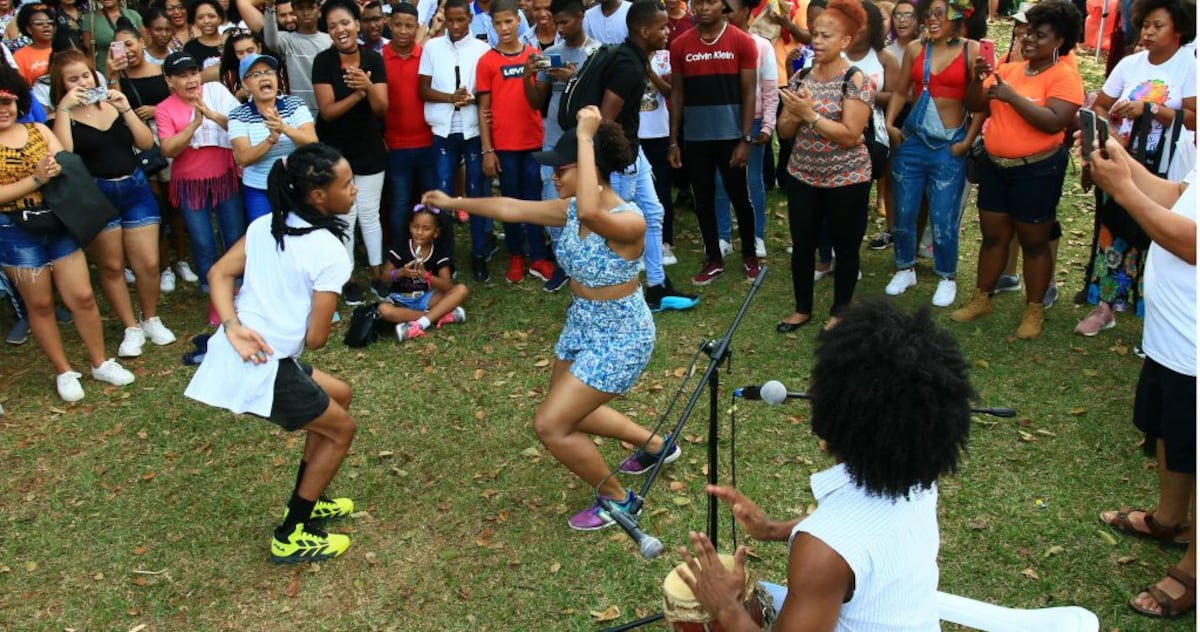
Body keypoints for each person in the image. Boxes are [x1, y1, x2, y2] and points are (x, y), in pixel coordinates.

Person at [421, 107, 680, 531]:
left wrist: (585, 134)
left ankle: (619, 500)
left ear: (590, 166)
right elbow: (511, 206)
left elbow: (598, 216)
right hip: (583, 322)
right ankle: (655, 445)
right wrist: (455, 201)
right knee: (567, 412)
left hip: (621, 334)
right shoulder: (573, 209)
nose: (554, 178)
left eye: (562, 169)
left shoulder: (628, 220)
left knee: (551, 424)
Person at [677, 299, 974, 630]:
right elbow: (862, 528)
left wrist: (726, 609)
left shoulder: (822, 551)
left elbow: (838, 541)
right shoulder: (918, 479)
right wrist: (773, 529)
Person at [184, 142, 360, 565]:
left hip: (252, 353)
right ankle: (292, 532)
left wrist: (232, 326)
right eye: (347, 183)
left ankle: (310, 496)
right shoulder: (330, 251)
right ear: (318, 196)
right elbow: (316, 339)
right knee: (342, 429)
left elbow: (219, 273)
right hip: (263, 365)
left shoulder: (267, 224)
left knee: (340, 395)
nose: (354, 190)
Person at [1089, 139, 1195, 620]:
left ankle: (1194, 570)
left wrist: (1124, 191)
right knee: (1173, 434)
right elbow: (1178, 194)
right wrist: (1124, 161)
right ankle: (1171, 520)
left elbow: (1192, 243)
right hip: (1174, 339)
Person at [0, 66, 136, 401]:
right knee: (41, 304)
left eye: (6, 102)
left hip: (57, 220)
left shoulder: (36, 130)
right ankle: (64, 370)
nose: (2, 110)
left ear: (18, 101)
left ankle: (100, 361)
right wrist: (35, 179)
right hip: (14, 229)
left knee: (83, 297)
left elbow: (65, 160)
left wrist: (56, 167)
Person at [952, 0, 1082, 339]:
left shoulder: (1065, 77)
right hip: (996, 167)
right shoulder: (1008, 69)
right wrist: (977, 79)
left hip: (1037, 171)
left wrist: (1013, 98)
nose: (1027, 40)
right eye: (1026, 32)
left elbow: (1055, 122)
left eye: (1039, 35)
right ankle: (982, 297)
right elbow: (975, 104)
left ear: (1059, 41)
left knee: (1034, 242)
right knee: (993, 237)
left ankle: (1034, 310)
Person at [1076, 0, 1195, 335]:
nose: (1148, 32)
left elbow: (1194, 118)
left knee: (1158, 236)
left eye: (1158, 25)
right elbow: (1100, 105)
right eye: (1145, 25)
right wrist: (1111, 134)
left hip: (1168, 169)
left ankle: (1153, 314)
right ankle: (1105, 306)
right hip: (1123, 162)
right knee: (1112, 232)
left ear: (1179, 30)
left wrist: (1151, 110)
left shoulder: (1189, 66)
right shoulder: (1130, 64)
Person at [50, 48, 177, 357]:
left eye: (85, 75)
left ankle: (150, 317)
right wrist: (65, 110)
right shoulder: (58, 118)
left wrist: (125, 109)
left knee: (147, 262)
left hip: (135, 188)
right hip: (96, 195)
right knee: (111, 266)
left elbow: (145, 143)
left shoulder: (113, 102)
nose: (81, 82)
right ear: (61, 85)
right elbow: (64, 156)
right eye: (72, 79)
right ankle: (130, 327)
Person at [775, 0, 872, 333]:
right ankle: (802, 309)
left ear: (845, 41)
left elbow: (849, 135)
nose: (816, 41)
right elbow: (784, 133)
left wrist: (810, 116)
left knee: (846, 246)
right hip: (803, 174)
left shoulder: (856, 80)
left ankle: (841, 312)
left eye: (826, 36)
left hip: (848, 177)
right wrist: (790, 114)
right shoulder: (801, 76)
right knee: (802, 244)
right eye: (815, 34)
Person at [883, 0, 982, 308]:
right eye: (930, 12)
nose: (932, 18)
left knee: (943, 216)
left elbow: (980, 104)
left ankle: (947, 276)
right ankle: (905, 268)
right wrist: (889, 123)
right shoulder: (916, 49)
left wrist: (966, 142)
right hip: (913, 142)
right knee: (904, 211)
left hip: (948, 145)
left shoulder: (971, 50)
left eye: (941, 13)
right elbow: (901, 91)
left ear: (958, 17)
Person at [668, 0, 760, 286]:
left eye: (711, 2)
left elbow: (749, 93)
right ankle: (713, 259)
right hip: (696, 138)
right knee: (702, 199)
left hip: (731, 137)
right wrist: (674, 140)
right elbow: (678, 94)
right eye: (699, 2)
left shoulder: (742, 42)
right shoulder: (680, 45)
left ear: (724, 6)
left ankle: (749, 255)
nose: (703, 7)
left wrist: (745, 139)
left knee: (739, 198)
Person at [312, 0, 389, 305]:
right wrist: (359, 93)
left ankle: (377, 274)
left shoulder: (374, 59)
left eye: (344, 23)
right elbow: (328, 112)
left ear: (357, 24)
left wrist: (368, 85)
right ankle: (347, 278)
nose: (339, 30)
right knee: (346, 216)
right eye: (332, 26)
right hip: (336, 151)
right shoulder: (323, 62)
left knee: (369, 213)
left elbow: (382, 108)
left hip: (369, 148)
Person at [112, 19, 194, 294]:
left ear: (141, 43)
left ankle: (182, 259)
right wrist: (111, 75)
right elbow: (111, 109)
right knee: (155, 206)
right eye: (119, 45)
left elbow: (180, 99)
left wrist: (154, 108)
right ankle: (165, 266)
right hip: (136, 146)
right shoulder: (117, 78)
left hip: (166, 139)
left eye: (130, 43)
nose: (126, 50)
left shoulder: (163, 72)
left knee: (175, 203)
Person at [155, 51, 244, 300]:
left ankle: (237, 279)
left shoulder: (215, 91)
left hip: (224, 175)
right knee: (202, 237)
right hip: (189, 182)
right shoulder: (164, 108)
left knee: (234, 232)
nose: (191, 80)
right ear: (169, 81)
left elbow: (240, 124)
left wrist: (211, 114)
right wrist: (193, 125)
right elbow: (168, 149)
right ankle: (210, 282)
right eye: (182, 76)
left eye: (193, 73)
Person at [523, 0, 597, 290]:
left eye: (564, 22)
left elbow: (600, 98)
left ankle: (587, 265)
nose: (559, 28)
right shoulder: (550, 54)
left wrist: (573, 80)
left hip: (585, 142)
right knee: (553, 207)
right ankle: (563, 265)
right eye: (557, 22)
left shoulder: (597, 53)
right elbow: (535, 101)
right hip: (554, 141)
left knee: (588, 206)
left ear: (580, 17)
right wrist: (528, 75)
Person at [479, 0, 554, 285]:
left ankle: (537, 256)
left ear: (519, 21)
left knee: (533, 201)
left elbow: (552, 84)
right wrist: (488, 149)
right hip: (505, 145)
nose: (504, 28)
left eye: (509, 21)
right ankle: (515, 255)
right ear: (492, 25)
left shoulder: (534, 55)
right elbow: (483, 107)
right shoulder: (487, 61)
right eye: (498, 23)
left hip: (533, 141)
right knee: (510, 201)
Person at [417, 0, 493, 281]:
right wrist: (451, 98)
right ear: (444, 19)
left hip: (473, 130)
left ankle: (479, 252)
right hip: (443, 129)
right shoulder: (432, 47)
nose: (456, 26)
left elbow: (488, 92)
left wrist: (470, 99)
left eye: (461, 20)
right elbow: (422, 89)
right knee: (444, 194)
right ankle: (445, 254)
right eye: (451, 20)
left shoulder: (482, 50)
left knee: (476, 192)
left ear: (470, 19)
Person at [713, 0, 778, 260]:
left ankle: (756, 235)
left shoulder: (762, 46)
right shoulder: (714, 46)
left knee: (752, 181)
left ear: (747, 12)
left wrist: (768, 125)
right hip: (720, 122)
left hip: (753, 121)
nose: (725, 14)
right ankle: (723, 236)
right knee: (720, 180)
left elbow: (771, 90)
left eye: (730, 9)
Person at [229, 53, 316, 223]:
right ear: (245, 84)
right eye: (256, 74)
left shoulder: (295, 104)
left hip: (296, 184)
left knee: (300, 234)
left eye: (269, 72)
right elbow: (243, 158)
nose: (264, 77)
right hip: (258, 189)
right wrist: (271, 139)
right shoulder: (238, 115)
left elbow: (312, 142)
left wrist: (284, 128)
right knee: (264, 237)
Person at [382, 2, 435, 251]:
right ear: (389, 25)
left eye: (409, 26)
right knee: (400, 202)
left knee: (430, 202)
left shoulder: (427, 57)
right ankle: (399, 251)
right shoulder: (380, 58)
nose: (403, 31)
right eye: (398, 25)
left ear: (417, 27)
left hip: (427, 142)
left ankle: (432, 252)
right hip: (396, 145)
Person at [376, 204, 469, 340]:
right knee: (385, 311)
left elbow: (448, 286)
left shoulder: (439, 252)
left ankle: (419, 324)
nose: (419, 232)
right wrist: (401, 272)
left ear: (435, 232)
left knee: (461, 289)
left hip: (426, 298)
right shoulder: (401, 247)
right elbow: (384, 278)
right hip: (401, 299)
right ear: (410, 227)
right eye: (415, 227)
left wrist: (427, 276)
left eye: (426, 229)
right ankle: (439, 316)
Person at [241, 0, 330, 114]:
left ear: (319, 11)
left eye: (311, 7)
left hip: (327, 108)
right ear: (294, 11)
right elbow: (271, 41)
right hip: (300, 110)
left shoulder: (329, 40)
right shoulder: (287, 40)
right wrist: (270, 7)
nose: (306, 12)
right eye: (301, 8)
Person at [82, 0, 142, 74]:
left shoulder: (133, 15)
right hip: (105, 72)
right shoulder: (91, 18)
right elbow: (88, 53)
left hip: (135, 72)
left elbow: (146, 44)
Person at [12, 3, 55, 90]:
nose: (46, 25)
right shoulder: (20, 56)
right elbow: (20, 89)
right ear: (29, 29)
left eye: (49, 22)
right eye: (39, 23)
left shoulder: (63, 48)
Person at [182, 0, 226, 83]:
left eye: (211, 16)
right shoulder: (190, 47)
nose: (206, 21)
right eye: (200, 17)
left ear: (220, 19)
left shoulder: (229, 42)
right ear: (194, 22)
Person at [218, 30, 263, 100]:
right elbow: (226, 108)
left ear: (259, 48)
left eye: (250, 51)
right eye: (240, 53)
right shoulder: (229, 75)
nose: (246, 56)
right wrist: (238, 96)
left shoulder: (273, 68)